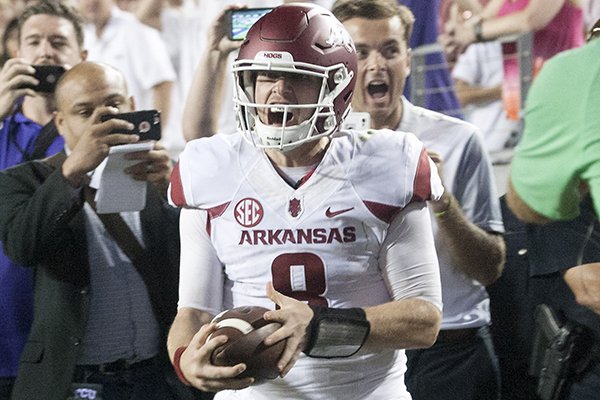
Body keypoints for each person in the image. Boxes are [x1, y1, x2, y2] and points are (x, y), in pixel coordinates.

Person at [167, 3, 444, 399]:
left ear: (338, 88)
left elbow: (423, 320)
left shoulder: (389, 163)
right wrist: (185, 360)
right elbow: (193, 312)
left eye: (296, 77)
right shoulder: (209, 168)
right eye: (265, 76)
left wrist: (318, 326)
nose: (278, 91)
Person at [331, 1, 505, 399]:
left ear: (408, 60)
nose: (376, 65)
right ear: (336, 64)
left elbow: (490, 269)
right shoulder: (315, 151)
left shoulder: (459, 140)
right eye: (360, 52)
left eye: (390, 50)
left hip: (452, 350)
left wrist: (441, 200)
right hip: (359, 351)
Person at [0, 61, 194, 400]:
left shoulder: (159, 173)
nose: (101, 122)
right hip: (73, 380)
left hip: (155, 378)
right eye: (84, 112)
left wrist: (173, 194)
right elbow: (23, 246)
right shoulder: (23, 181)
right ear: (60, 123)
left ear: (133, 107)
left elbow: (192, 262)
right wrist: (72, 172)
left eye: (114, 106)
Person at [0, 2, 87, 398]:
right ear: (14, 54)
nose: (45, 52)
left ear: (82, 58)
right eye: (33, 41)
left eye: (58, 42)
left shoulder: (95, 133)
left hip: (62, 339)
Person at [442, 0, 584, 121]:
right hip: (520, 103)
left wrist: (472, 33)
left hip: (563, 92)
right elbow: (481, 20)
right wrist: (454, 34)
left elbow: (531, 20)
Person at [76, 0, 176, 144]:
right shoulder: (85, 36)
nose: (90, 2)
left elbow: (162, 85)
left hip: (142, 137)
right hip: (109, 140)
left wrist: (154, 137)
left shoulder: (135, 29)